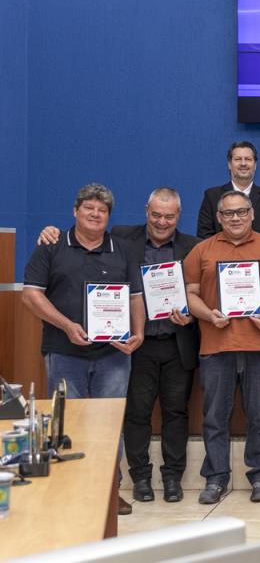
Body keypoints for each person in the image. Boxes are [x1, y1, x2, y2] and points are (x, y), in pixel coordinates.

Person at [35, 187, 200, 504]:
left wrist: (191, 314)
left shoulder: (193, 246)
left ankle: (172, 478)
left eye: (169, 216)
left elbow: (200, 290)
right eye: (156, 214)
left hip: (176, 342)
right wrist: (48, 231)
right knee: (134, 414)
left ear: (179, 215)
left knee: (176, 413)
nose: (162, 221)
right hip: (134, 344)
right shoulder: (123, 238)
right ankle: (140, 478)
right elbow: (83, 234)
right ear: (146, 210)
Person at [22, 183, 145, 516]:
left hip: (113, 355)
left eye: (102, 210)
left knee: (109, 425)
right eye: (89, 208)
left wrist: (138, 333)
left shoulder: (122, 249)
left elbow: (135, 296)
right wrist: (66, 325)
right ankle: (70, 491)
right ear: (75, 211)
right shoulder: (51, 245)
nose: (95, 214)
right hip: (64, 352)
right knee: (67, 423)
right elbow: (31, 295)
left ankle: (110, 492)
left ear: (109, 216)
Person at [184, 190, 260, 504]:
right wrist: (208, 315)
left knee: (259, 414)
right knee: (215, 416)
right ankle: (216, 478)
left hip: (259, 343)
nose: (235, 218)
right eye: (228, 213)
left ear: (252, 214)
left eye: (241, 212)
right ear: (219, 217)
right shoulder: (201, 250)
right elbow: (190, 292)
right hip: (216, 344)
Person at [197, 141, 260, 239]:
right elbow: (204, 236)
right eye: (238, 159)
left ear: (255, 165)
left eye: (248, 159)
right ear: (229, 164)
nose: (243, 163)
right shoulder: (212, 196)